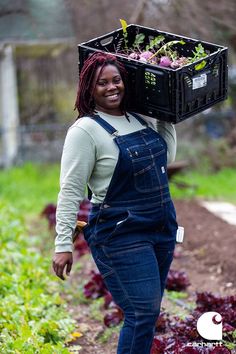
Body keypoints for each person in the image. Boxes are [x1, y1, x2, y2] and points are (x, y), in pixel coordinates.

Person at [52, 51, 178, 354]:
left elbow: (165, 159)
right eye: (102, 83)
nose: (111, 87)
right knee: (141, 312)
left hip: (161, 228)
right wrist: (62, 244)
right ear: (89, 89)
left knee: (149, 312)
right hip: (121, 234)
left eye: (116, 80)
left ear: (125, 82)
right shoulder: (86, 130)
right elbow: (70, 190)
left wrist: (166, 116)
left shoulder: (137, 118)